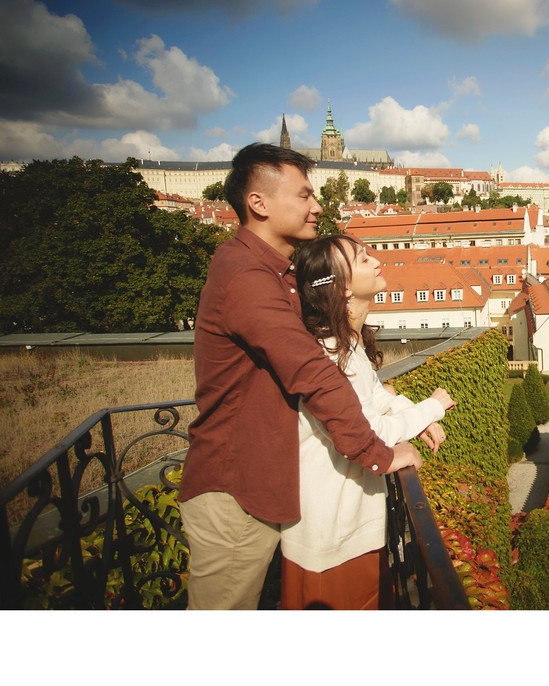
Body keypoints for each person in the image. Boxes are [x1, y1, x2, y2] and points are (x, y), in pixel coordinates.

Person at [178, 143, 423, 610]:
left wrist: (385, 396)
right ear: (259, 204)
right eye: (304, 195)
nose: (318, 206)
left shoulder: (273, 273)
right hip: (236, 487)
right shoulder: (246, 275)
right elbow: (313, 372)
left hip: (259, 483)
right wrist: (377, 454)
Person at [280, 234, 456, 609]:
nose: (377, 261)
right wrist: (432, 407)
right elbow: (370, 429)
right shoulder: (329, 354)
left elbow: (376, 396)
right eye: (362, 259)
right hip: (333, 529)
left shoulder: (345, 344)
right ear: (341, 289)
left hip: (346, 522)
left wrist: (414, 415)